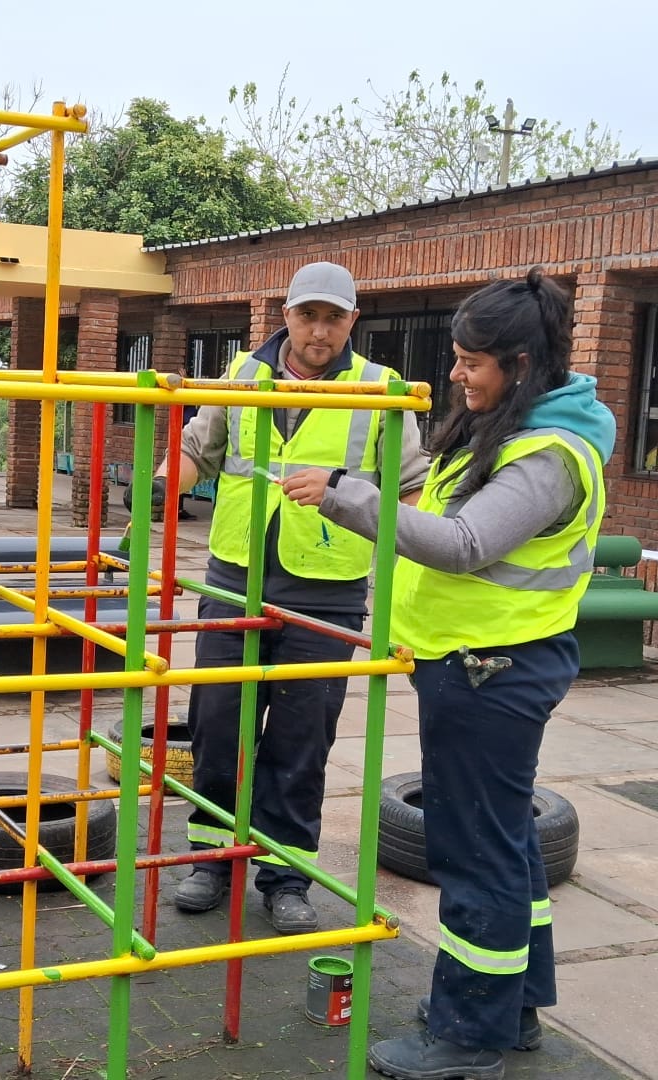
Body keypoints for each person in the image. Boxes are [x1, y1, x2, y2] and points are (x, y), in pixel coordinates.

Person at [284, 268, 612, 1080]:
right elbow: (426, 492)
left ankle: (468, 1035)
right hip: (471, 664)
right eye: (457, 358)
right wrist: (357, 481)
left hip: (492, 670)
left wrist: (343, 500)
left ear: (523, 364)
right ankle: (514, 1005)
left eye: (472, 362)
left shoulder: (550, 455)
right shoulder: (505, 426)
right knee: (506, 846)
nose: (457, 374)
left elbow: (466, 543)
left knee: (474, 852)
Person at [131, 261, 427, 934]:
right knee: (219, 727)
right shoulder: (241, 377)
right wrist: (156, 490)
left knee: (301, 739)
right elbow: (196, 452)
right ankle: (213, 860)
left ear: (353, 321)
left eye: (333, 318)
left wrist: (362, 507)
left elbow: (411, 491)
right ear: (285, 316)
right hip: (234, 578)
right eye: (307, 315)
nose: (318, 331)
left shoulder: (381, 390)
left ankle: (286, 875)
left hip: (327, 593)